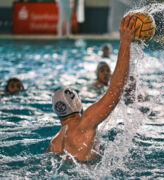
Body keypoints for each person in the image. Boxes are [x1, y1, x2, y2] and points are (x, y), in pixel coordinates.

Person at [46, 15, 140, 162]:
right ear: (76, 103)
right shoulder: (86, 122)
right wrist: (125, 42)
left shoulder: (53, 143)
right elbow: (115, 90)